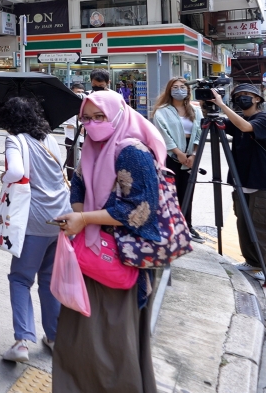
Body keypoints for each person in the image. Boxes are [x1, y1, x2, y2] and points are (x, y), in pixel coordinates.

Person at [54, 90, 162, 393]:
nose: (92, 124)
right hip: (88, 259)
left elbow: (141, 211)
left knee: (110, 346)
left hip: (120, 262)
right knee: (78, 343)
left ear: (117, 114)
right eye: (86, 118)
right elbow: (78, 187)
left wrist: (87, 220)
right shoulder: (90, 147)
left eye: (99, 116)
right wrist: (76, 216)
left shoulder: (132, 152)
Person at [0, 98, 71, 364]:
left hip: (34, 220)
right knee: (49, 280)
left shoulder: (15, 140)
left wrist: (4, 179)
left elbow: (16, 171)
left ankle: (22, 340)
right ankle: (54, 336)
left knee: (20, 278)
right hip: (61, 216)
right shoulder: (49, 139)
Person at [209, 83, 266, 275]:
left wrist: (222, 105)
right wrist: (208, 105)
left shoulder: (265, 118)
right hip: (241, 180)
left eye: (246, 95)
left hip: (263, 181)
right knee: (243, 223)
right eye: (238, 95)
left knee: (262, 226)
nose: (242, 98)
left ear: (257, 99)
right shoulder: (238, 120)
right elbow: (223, 124)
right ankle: (252, 260)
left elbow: (246, 127)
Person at [151, 77, 203, 242]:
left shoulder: (196, 110)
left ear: (188, 90)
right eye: (175, 87)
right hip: (171, 155)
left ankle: (188, 225)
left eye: (182, 87)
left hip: (191, 155)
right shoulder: (162, 111)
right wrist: (178, 153)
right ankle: (172, 226)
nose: (179, 90)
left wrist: (193, 153)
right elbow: (163, 133)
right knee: (170, 192)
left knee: (188, 190)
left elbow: (200, 132)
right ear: (169, 90)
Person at [63, 82, 86, 178]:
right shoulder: (66, 105)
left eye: (82, 92)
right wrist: (76, 127)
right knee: (71, 161)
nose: (80, 94)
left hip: (84, 138)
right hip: (71, 137)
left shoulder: (85, 105)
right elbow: (63, 123)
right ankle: (71, 178)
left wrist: (85, 127)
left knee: (86, 159)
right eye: (77, 92)